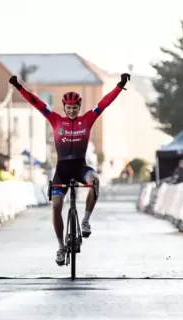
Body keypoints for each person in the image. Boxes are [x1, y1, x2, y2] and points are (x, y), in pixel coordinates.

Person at [8, 73, 131, 266]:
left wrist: (119, 86)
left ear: (78, 108)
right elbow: (36, 102)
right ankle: (60, 247)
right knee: (56, 206)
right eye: (69, 107)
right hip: (62, 169)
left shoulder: (88, 119)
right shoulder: (55, 120)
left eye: (75, 108)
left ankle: (85, 221)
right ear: (64, 108)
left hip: (81, 167)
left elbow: (104, 103)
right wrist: (18, 87)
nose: (72, 110)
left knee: (95, 181)